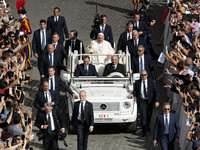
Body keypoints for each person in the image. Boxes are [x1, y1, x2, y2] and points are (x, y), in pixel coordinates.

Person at [128, 70, 159, 137]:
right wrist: (132, 94)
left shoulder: (151, 82)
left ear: (147, 75)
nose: (144, 76)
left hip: (150, 101)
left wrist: (157, 101)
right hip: (142, 101)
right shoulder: (137, 82)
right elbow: (135, 90)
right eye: (142, 75)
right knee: (143, 116)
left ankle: (147, 125)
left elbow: (156, 92)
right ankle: (144, 131)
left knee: (149, 115)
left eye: (145, 75)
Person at [16, 0, 32, 71]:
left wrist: (21, 33)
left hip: (24, 39)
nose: (19, 14)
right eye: (19, 13)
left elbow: (28, 31)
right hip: (21, 39)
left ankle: (26, 65)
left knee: (25, 52)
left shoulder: (25, 20)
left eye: (20, 13)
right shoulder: (21, 20)